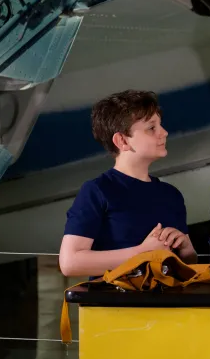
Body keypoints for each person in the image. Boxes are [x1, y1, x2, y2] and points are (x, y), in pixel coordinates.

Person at [59, 90, 196, 277]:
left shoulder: (171, 194)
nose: (164, 133)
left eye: (160, 125)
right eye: (151, 128)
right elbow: (70, 263)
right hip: (116, 305)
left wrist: (186, 248)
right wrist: (142, 253)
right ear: (122, 140)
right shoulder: (97, 191)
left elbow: (186, 266)